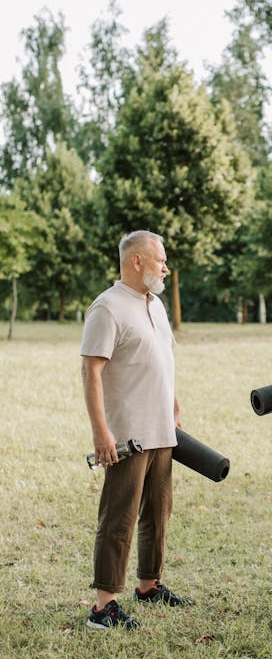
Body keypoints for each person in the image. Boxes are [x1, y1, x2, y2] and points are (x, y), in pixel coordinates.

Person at [81, 230, 192, 630]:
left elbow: (165, 359)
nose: (166, 266)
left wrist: (174, 404)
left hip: (162, 429)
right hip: (128, 434)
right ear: (137, 261)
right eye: (160, 259)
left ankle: (148, 585)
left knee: (158, 513)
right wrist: (101, 432)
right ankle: (103, 606)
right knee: (119, 516)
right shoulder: (107, 308)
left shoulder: (156, 305)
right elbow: (91, 372)